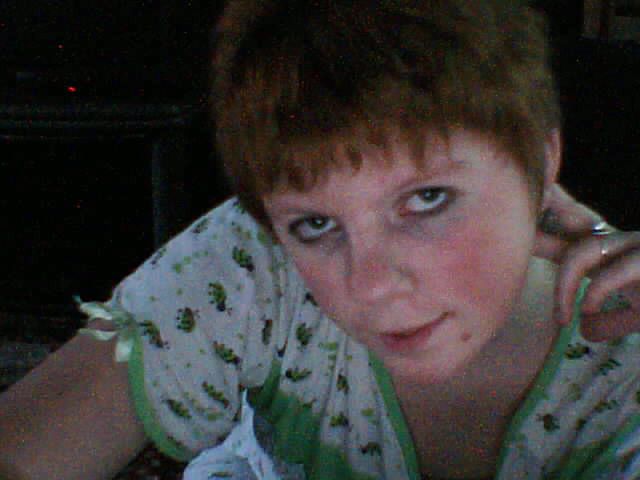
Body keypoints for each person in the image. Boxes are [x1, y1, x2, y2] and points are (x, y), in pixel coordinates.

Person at [1, 0, 640, 479]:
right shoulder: (256, 262)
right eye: (316, 224)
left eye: (426, 198)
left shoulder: (626, 353)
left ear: (541, 160)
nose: (371, 285)